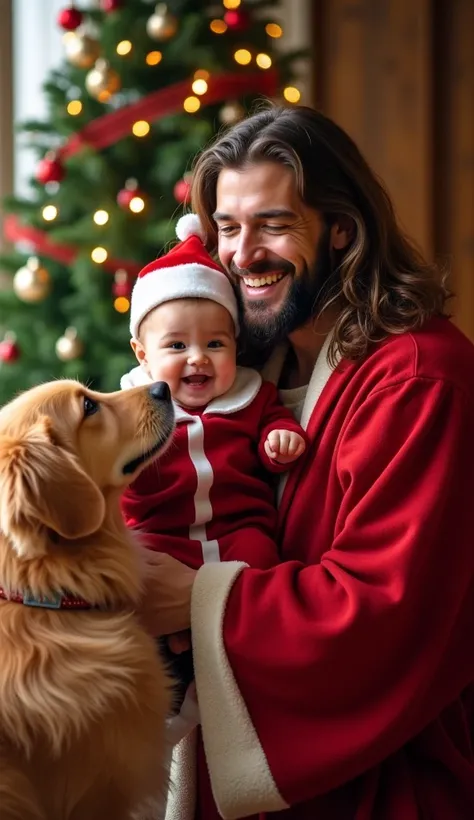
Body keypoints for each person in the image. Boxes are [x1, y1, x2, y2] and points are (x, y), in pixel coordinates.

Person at [139, 104, 474, 820]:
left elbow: (385, 612)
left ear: (343, 230)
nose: (243, 253)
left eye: (274, 224)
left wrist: (193, 601)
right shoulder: (237, 381)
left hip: (381, 793)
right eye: (227, 228)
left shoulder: (420, 377)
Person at [120, 216, 307, 744]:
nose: (197, 359)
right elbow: (118, 484)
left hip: (238, 530)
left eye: (216, 345)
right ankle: (163, 712)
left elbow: (275, 421)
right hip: (165, 538)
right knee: (143, 603)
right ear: (143, 354)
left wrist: (280, 441)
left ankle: (239, 677)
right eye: (176, 347)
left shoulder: (250, 395)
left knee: (260, 567)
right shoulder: (135, 409)